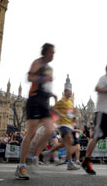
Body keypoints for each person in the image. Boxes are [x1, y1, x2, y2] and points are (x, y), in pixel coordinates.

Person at [15, 43, 57, 180]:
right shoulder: (37, 63)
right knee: (31, 132)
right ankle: (21, 165)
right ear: (45, 52)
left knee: (50, 130)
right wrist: (41, 78)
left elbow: (46, 86)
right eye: (51, 52)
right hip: (34, 99)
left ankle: (32, 152)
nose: (53, 54)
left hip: (44, 101)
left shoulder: (50, 68)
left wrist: (51, 95)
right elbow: (29, 78)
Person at [42, 88, 80, 170]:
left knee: (64, 144)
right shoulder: (61, 101)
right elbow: (52, 108)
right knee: (70, 141)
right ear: (64, 93)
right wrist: (59, 113)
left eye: (71, 92)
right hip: (62, 124)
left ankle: (48, 153)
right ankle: (69, 162)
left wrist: (73, 112)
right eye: (68, 92)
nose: (70, 93)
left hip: (68, 125)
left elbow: (68, 113)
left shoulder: (70, 102)